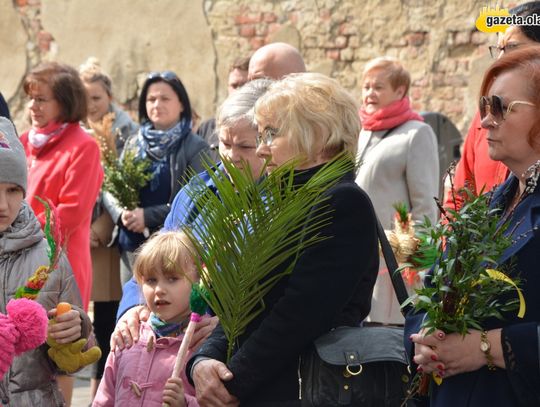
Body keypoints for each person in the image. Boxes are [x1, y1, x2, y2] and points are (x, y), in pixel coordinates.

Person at [188, 72, 380, 406]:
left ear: (317, 135)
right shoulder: (280, 200)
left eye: (272, 134)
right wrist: (204, 361)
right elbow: (242, 304)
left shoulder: (342, 202)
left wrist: (234, 384)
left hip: (300, 392)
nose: (261, 150)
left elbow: (300, 314)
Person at [406, 45, 540, 406]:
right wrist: (425, 337)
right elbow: (432, 288)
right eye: (484, 107)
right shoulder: (489, 204)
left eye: (501, 107)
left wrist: (487, 347)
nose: (485, 122)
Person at [111, 79, 272, 350]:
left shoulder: (283, 201)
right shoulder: (196, 192)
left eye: (244, 146)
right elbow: (157, 259)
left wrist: (230, 325)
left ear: (269, 143)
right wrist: (131, 308)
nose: (231, 156)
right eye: (223, 143)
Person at [0, 117, 94, 406]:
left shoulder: (48, 257)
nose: (3, 205)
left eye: (13, 190)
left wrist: (77, 329)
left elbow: (74, 362)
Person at [104, 71, 210, 285]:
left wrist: (148, 216)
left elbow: (200, 197)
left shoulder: (195, 147)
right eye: (151, 99)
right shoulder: (134, 143)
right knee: (133, 308)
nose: (157, 104)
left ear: (181, 104)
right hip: (132, 245)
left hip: (172, 246)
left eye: (165, 98)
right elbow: (110, 187)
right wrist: (122, 213)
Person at [355, 56, 439, 325]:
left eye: (378, 87)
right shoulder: (362, 131)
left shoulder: (417, 133)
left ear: (400, 91)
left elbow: (425, 206)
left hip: (394, 262)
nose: (369, 93)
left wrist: (412, 264)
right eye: (366, 86)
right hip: (359, 255)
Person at [79, 57, 140, 401]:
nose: (91, 105)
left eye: (97, 98)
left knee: (106, 319)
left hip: (109, 240)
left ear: (110, 97)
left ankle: (101, 390)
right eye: (85, 98)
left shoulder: (125, 132)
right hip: (78, 236)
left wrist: (101, 227)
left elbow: (120, 188)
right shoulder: (75, 128)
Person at [20, 61, 103, 311]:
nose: (33, 106)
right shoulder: (23, 140)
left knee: (54, 344)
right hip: (14, 259)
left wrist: (16, 233)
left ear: (65, 102)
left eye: (41, 99)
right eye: (31, 98)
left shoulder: (83, 146)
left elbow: (69, 213)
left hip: (58, 265)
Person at [444, 1, 540, 210]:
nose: (499, 60)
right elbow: (459, 194)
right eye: (498, 49)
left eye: (511, 48)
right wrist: (451, 242)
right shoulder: (485, 117)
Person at [93, 231, 201, 406]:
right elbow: (104, 398)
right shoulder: (127, 338)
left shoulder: (202, 347)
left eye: (172, 278)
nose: (159, 289)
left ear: (198, 282)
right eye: (151, 280)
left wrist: (186, 403)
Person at [197, 55, 250, 160]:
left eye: (245, 85)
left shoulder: (262, 126)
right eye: (234, 86)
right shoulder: (208, 127)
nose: (238, 91)